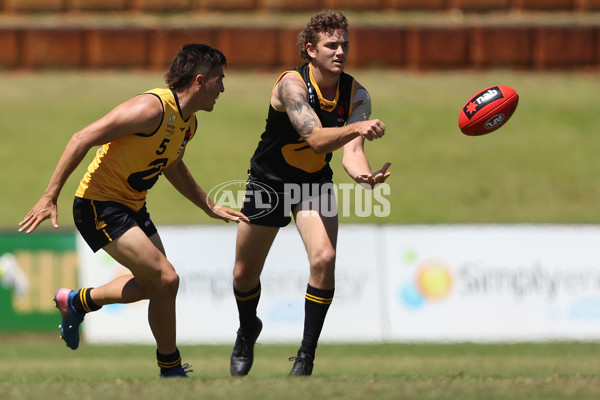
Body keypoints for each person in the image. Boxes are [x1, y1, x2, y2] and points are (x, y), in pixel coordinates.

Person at [18, 44, 248, 378]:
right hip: (98, 205)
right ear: (200, 80)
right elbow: (81, 138)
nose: (223, 88)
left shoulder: (188, 123)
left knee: (154, 286)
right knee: (167, 277)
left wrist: (208, 205)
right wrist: (49, 196)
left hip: (131, 206)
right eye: (220, 80)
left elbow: (172, 164)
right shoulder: (149, 109)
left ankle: (78, 301)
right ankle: (170, 369)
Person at [229, 11, 391, 377]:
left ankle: (305, 356)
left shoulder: (357, 95)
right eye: (331, 45)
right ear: (310, 50)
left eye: (344, 45)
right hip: (268, 183)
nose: (340, 52)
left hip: (312, 184)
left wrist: (364, 176)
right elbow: (317, 140)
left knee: (324, 257)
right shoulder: (291, 86)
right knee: (243, 274)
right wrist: (358, 128)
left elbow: (352, 153)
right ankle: (246, 329)